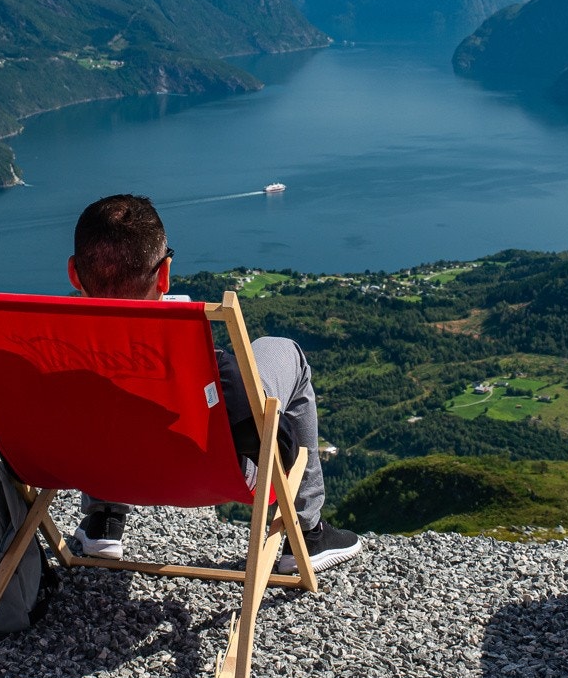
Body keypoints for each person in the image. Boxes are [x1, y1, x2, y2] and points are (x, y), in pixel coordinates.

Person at [66, 194, 361, 574]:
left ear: (74, 273)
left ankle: (102, 521)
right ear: (164, 274)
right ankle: (306, 531)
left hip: (104, 466)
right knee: (282, 351)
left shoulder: (45, 349)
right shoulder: (213, 370)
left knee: (105, 387)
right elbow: (272, 443)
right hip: (207, 470)